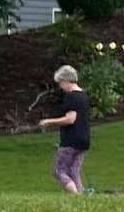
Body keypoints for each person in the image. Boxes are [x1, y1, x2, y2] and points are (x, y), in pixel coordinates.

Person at [38, 65, 92, 194]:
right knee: (74, 170)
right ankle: (81, 193)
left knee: (58, 170)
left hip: (71, 140)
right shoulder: (83, 96)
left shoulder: (71, 97)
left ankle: (76, 194)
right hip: (84, 140)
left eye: (61, 83)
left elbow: (70, 119)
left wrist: (49, 122)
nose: (61, 87)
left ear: (66, 81)